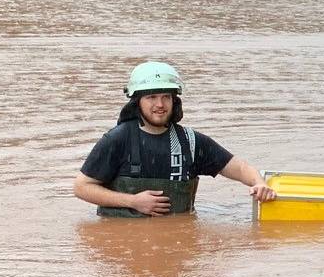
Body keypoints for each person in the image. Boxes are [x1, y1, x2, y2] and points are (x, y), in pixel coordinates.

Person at [74, 61, 276, 216]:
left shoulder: (191, 141)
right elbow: (82, 188)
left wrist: (258, 183)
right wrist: (133, 202)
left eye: (166, 97)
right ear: (137, 102)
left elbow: (239, 168)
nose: (160, 104)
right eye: (151, 97)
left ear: (174, 101)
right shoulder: (117, 139)